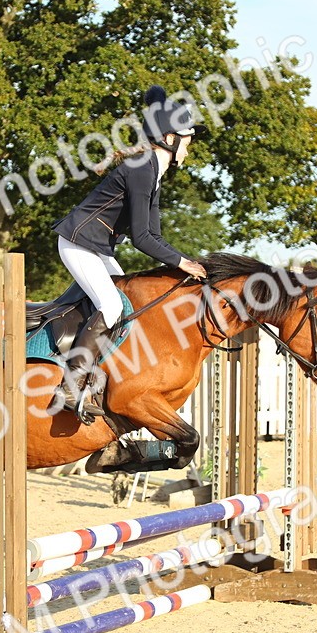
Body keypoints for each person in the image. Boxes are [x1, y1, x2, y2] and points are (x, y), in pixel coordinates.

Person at [50, 85, 208, 422]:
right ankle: (70, 383)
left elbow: (153, 235)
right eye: (187, 139)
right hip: (78, 243)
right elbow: (140, 238)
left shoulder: (152, 172)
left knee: (125, 303)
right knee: (111, 304)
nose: (189, 147)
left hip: (96, 246)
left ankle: (99, 374)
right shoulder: (141, 169)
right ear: (168, 137)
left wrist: (182, 263)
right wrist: (183, 263)